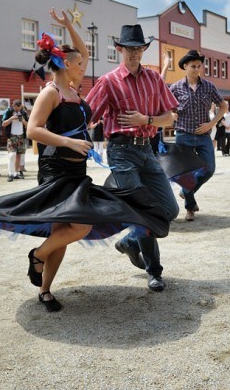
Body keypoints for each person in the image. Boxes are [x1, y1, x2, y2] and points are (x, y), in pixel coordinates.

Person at [0, 9, 169, 311]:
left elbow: (83, 50)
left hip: (76, 170)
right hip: (56, 169)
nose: (83, 66)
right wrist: (69, 141)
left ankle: (45, 290)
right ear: (64, 65)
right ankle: (37, 256)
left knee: (62, 233)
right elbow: (34, 130)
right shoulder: (51, 93)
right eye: (78, 64)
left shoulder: (73, 91)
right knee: (78, 227)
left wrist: (69, 25)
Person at [87, 23, 180, 292]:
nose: (134, 53)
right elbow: (87, 116)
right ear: (119, 49)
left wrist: (146, 119)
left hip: (147, 149)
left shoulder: (155, 79)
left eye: (139, 48)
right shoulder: (108, 81)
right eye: (129, 48)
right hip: (121, 151)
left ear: (144, 49)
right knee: (143, 211)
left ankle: (129, 242)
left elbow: (169, 117)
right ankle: (155, 272)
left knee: (170, 210)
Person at [169, 49, 226, 221]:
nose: (196, 69)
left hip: (203, 136)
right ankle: (190, 208)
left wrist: (211, 123)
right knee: (185, 173)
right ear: (185, 66)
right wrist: (171, 115)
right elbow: (167, 109)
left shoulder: (209, 87)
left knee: (209, 169)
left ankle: (186, 191)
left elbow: (223, 107)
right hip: (183, 135)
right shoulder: (175, 88)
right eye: (193, 66)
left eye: (199, 66)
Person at [2, 99, 28, 182]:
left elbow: (28, 125)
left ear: (20, 106)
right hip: (12, 136)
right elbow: (3, 124)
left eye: (19, 108)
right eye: (16, 109)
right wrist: (11, 119)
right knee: (11, 155)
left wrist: (23, 120)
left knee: (18, 156)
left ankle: (16, 173)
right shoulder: (8, 111)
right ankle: (10, 174)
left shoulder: (23, 112)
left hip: (21, 136)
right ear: (13, 106)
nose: (17, 110)